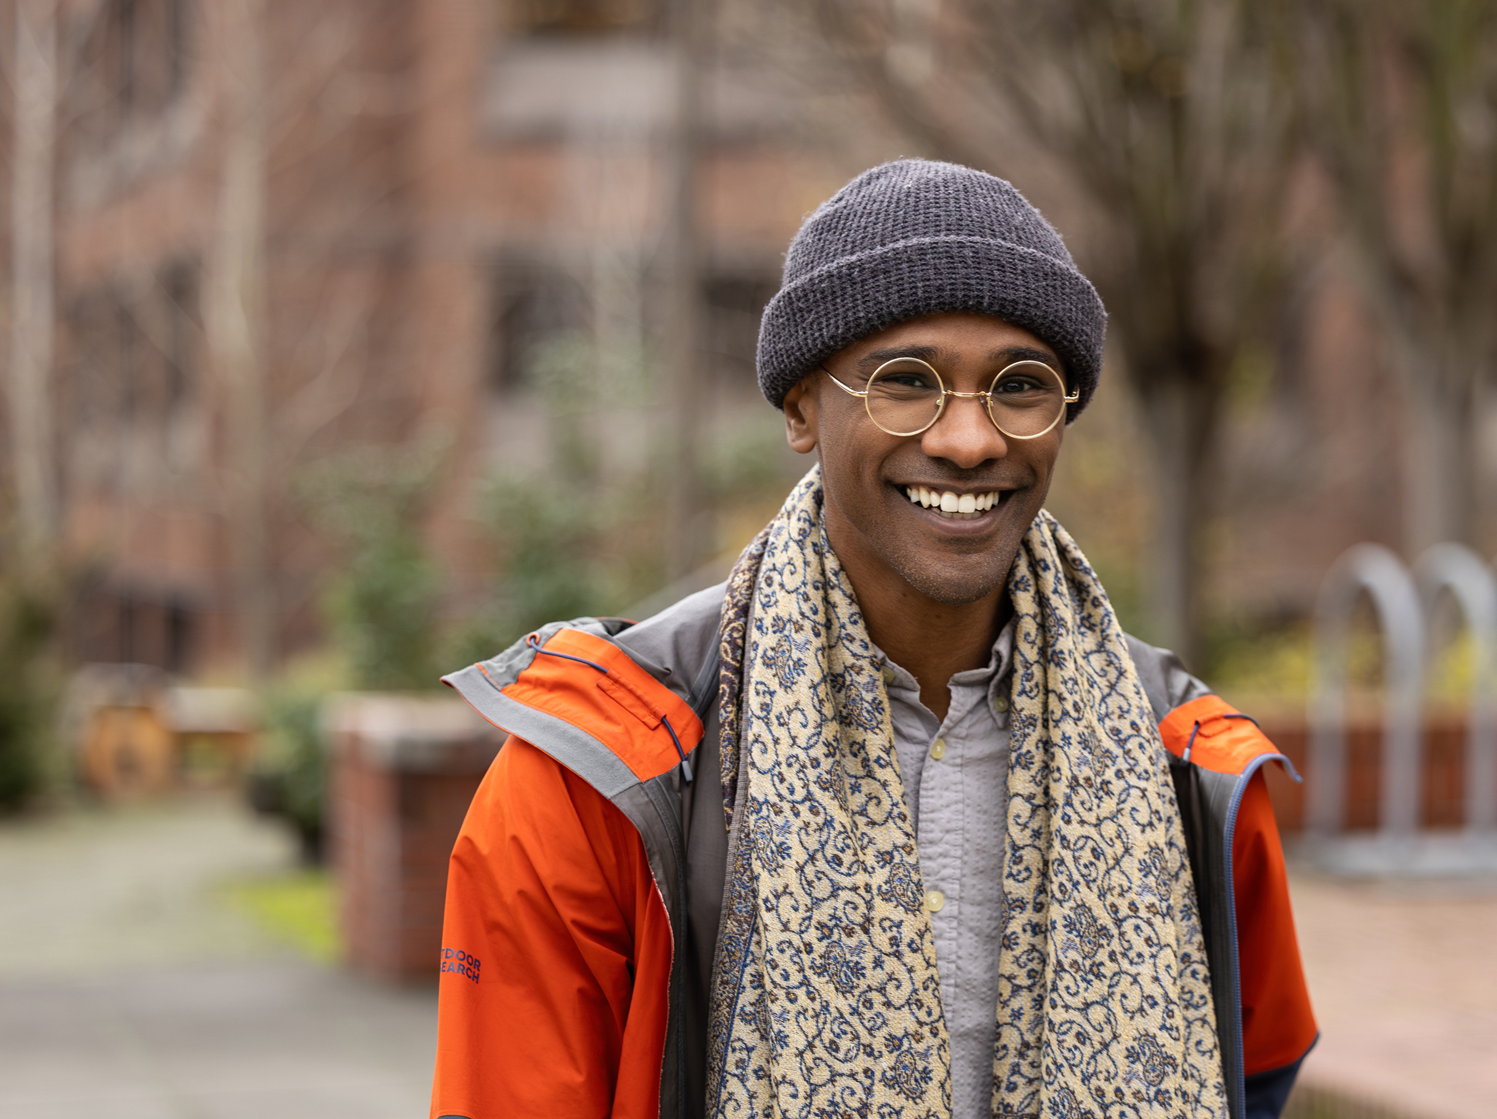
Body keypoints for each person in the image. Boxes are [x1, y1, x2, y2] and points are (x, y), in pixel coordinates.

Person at [429, 159, 1316, 1119]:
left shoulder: (1186, 762)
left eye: (1021, 385)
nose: (971, 440)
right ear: (803, 407)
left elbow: (1254, 1074)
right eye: (906, 381)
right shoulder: (598, 776)